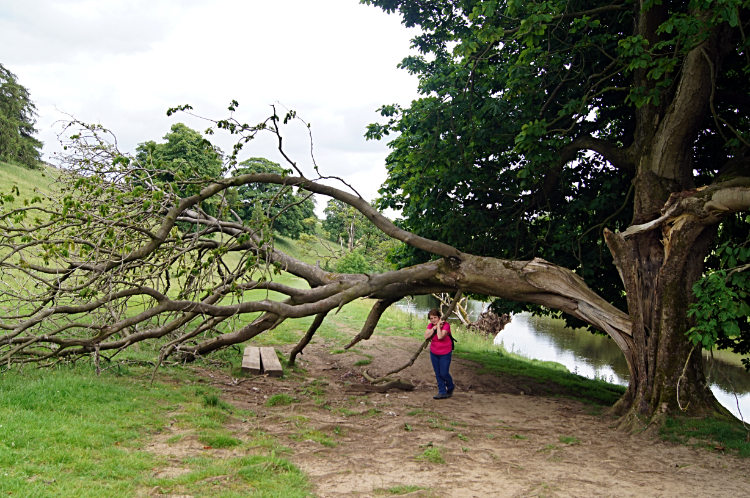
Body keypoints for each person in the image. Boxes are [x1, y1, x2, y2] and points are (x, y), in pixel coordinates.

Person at [425, 308, 455, 400]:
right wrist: (434, 327)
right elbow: (426, 336)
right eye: (431, 318)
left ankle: (450, 387)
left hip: (445, 352)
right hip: (434, 352)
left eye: (435, 318)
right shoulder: (430, 326)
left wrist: (438, 327)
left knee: (444, 373)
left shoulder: (446, 325)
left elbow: (440, 336)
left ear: (439, 317)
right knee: (438, 373)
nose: (433, 320)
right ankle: (442, 392)